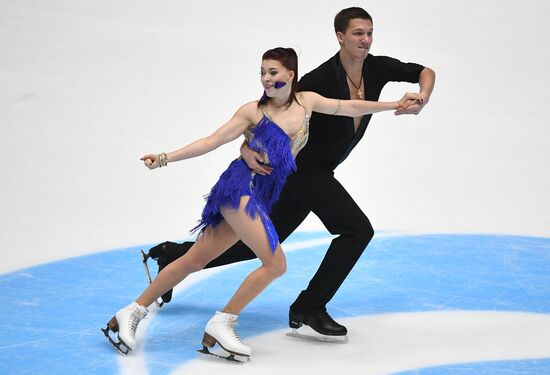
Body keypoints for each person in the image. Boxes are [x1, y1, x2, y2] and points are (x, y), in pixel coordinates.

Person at [102, 46, 418, 360]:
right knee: (276, 264)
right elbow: (211, 141)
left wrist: (393, 104)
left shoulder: (307, 102)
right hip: (240, 190)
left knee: (194, 260)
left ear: (291, 75)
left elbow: (347, 106)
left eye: (273, 73)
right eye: (263, 73)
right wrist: (164, 158)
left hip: (258, 196)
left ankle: (129, 313)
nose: (266, 79)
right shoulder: (253, 111)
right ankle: (222, 323)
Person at [143, 7, 436, 341]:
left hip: (317, 172)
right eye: (357, 33)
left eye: (369, 32)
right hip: (302, 170)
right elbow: (269, 120)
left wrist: (422, 96)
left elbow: (424, 71)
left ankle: (172, 256)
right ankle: (309, 307)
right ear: (340, 36)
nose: (365, 40)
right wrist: (244, 148)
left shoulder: (378, 67)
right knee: (356, 230)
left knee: (264, 242)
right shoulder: (315, 82)